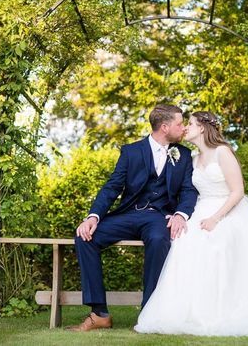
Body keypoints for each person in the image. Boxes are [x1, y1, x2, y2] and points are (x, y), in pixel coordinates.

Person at [134, 111, 248, 336]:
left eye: (191, 124)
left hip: (228, 211)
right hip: (201, 210)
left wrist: (216, 218)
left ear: (202, 128)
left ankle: (219, 310)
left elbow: (238, 191)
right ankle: (188, 310)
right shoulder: (192, 158)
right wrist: (175, 214)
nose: (186, 128)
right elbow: (186, 193)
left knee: (217, 242)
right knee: (183, 242)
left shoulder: (222, 152)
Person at [69, 104, 198, 332]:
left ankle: (150, 313)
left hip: (159, 217)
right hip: (129, 214)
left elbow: (188, 190)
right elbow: (112, 187)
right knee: (84, 237)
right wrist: (93, 217)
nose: (184, 127)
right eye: (180, 123)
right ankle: (99, 314)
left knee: (160, 240)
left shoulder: (184, 155)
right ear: (165, 127)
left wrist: (180, 214)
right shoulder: (131, 151)